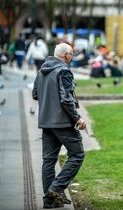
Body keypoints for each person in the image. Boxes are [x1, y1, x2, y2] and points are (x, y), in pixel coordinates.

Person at [32, 43, 86, 208]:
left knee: (48, 160)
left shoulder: (42, 70)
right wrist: (77, 118)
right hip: (63, 122)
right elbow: (66, 99)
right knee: (77, 155)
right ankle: (55, 189)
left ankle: (49, 201)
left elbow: (35, 94)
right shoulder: (64, 71)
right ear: (65, 55)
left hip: (46, 122)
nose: (72, 57)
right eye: (71, 54)